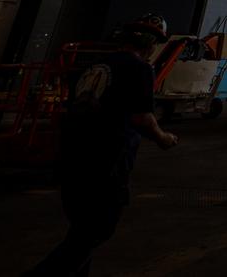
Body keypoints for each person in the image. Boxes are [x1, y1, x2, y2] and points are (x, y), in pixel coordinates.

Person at [30, 14, 179, 276]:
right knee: (95, 231)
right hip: (107, 162)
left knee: (81, 231)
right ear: (151, 44)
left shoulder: (92, 65)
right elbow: (141, 117)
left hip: (73, 159)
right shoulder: (140, 68)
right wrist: (164, 138)